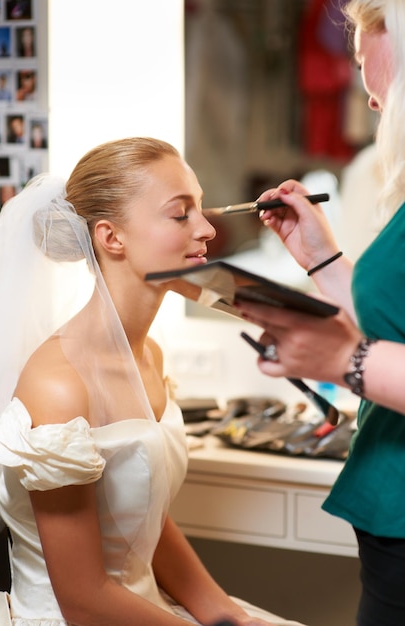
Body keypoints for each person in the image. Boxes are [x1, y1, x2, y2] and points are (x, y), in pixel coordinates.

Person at [0, 137, 305, 626]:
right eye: (180, 214)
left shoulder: (150, 357)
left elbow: (146, 524)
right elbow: (84, 599)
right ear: (111, 237)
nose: (205, 229)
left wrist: (227, 616)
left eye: (201, 207)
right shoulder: (58, 387)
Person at [235, 2, 405, 625]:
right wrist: (321, 259)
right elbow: (394, 323)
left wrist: (341, 358)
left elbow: (370, 347)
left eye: (364, 62)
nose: (367, 96)